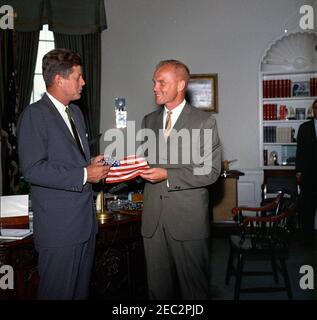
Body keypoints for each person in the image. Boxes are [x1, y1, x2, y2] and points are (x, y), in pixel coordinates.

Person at [17, 48, 110, 299]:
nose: (84, 82)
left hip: (84, 227)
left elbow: (66, 159)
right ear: (59, 79)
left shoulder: (75, 112)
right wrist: (84, 174)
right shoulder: (34, 115)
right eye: (78, 77)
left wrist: (89, 163)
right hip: (60, 231)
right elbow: (33, 169)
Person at [139, 60, 222, 299]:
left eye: (161, 82)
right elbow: (147, 163)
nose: (155, 87)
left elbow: (210, 170)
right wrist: (120, 168)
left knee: (194, 292)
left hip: (188, 222)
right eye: (154, 82)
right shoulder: (148, 121)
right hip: (153, 221)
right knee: (157, 292)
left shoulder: (204, 122)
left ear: (180, 85)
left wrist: (167, 175)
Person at [296, 98, 317, 248]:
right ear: (312, 110)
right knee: (307, 210)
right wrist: (298, 171)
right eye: (315, 108)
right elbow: (300, 152)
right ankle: (306, 240)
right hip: (309, 175)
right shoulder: (304, 127)